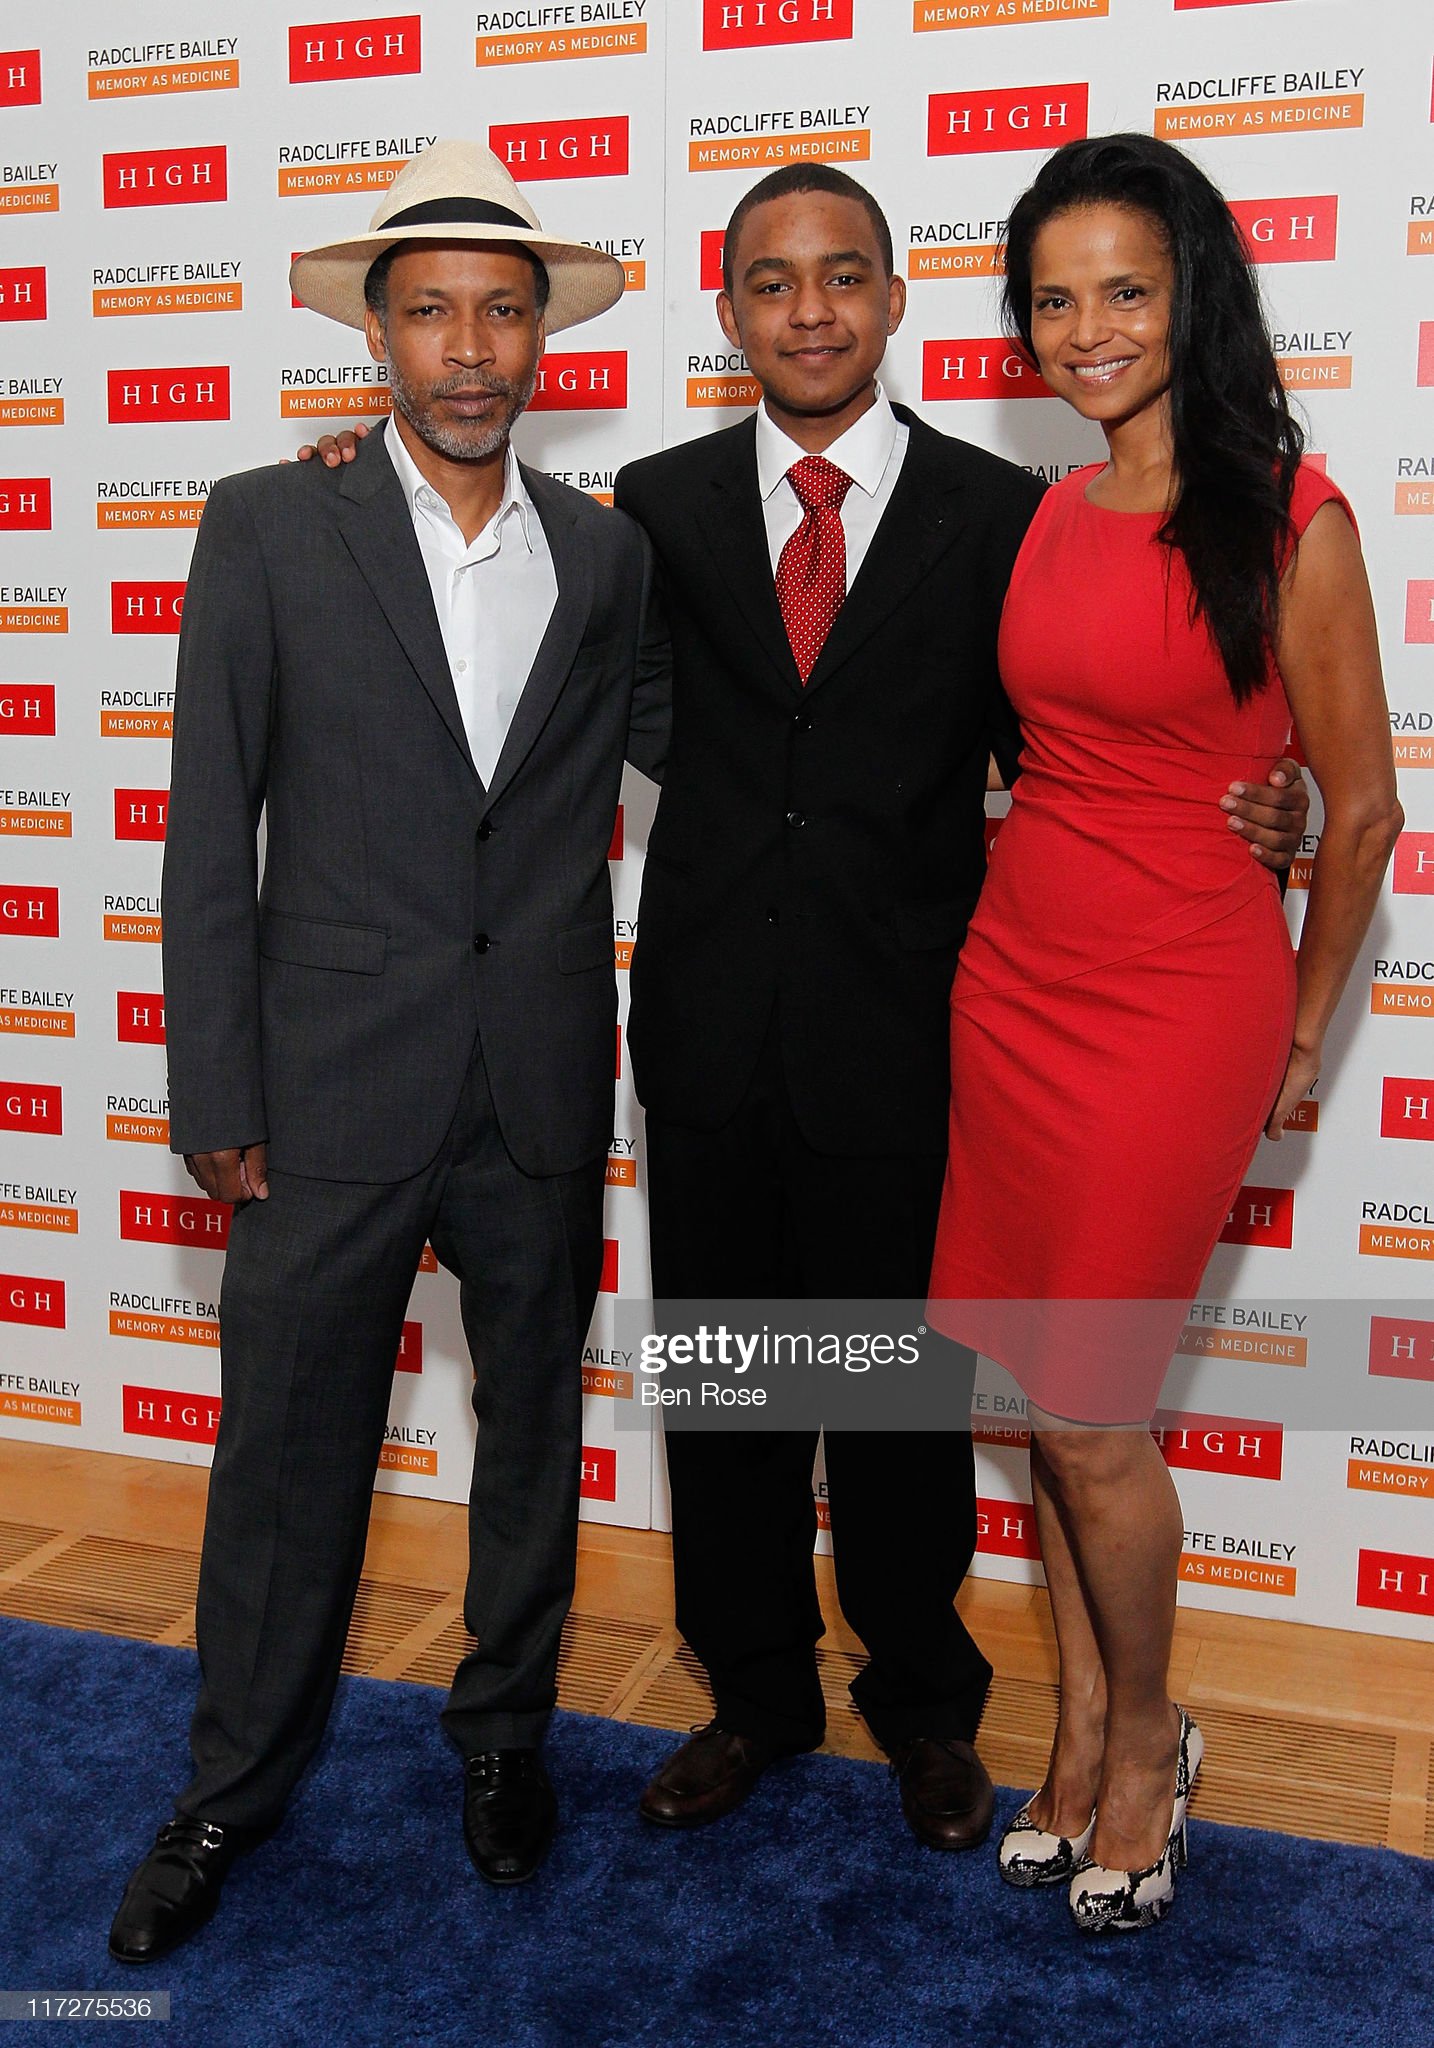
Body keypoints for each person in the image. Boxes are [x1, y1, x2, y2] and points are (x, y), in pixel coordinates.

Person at [299, 163, 1307, 1854]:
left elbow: (1083, 745)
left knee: (900, 1405)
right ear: (729, 314)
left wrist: (1260, 802)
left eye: (843, 276)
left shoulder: (1002, 518)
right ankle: (753, 1696)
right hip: (708, 1026)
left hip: (925, 1032)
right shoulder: (652, 507)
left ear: (895, 300)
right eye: (771, 283)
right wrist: (359, 471)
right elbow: (510, 590)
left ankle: (924, 1707)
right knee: (732, 1398)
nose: (810, 310)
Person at [107, 139, 668, 1966]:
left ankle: (503, 1737)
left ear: (543, 336)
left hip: (534, 1076)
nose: (470, 348)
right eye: (431, 312)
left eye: (501, 311)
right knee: (286, 1459)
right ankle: (229, 1788)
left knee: (529, 1443)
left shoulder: (608, 554)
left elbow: (744, 748)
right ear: (376, 335)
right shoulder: (271, 523)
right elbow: (210, 822)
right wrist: (216, 1089)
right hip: (326, 1082)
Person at [926, 132, 1402, 1933]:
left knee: (1090, 1412)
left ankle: (1146, 1748)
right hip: (1015, 980)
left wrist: (1301, 1032)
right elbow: (1044, 743)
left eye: (1124, 290)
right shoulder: (1049, 510)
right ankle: (1071, 1732)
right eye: (1052, 301)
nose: (1087, 330)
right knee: (1035, 1407)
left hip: (1178, 1001)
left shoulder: (1291, 517)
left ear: (1192, 293)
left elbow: (1360, 808)